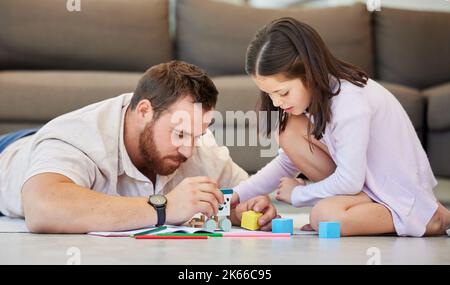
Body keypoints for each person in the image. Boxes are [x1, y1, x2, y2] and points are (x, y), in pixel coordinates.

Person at [0, 60, 277, 233]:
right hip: (12, 152)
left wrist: (245, 210)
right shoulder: (79, 137)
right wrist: (163, 208)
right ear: (144, 111)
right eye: (179, 134)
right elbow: (42, 208)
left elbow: (245, 193)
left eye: (197, 135)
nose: (188, 150)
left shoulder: (196, 146)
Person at [232, 17, 450, 237]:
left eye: (283, 92)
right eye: (269, 94)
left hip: (396, 195)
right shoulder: (314, 101)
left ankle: (428, 217)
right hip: (367, 190)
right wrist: (236, 195)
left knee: (325, 217)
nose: (277, 102)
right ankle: (379, 213)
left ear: (308, 72)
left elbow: (349, 181)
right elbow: (289, 161)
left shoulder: (349, 101)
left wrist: (299, 194)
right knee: (288, 131)